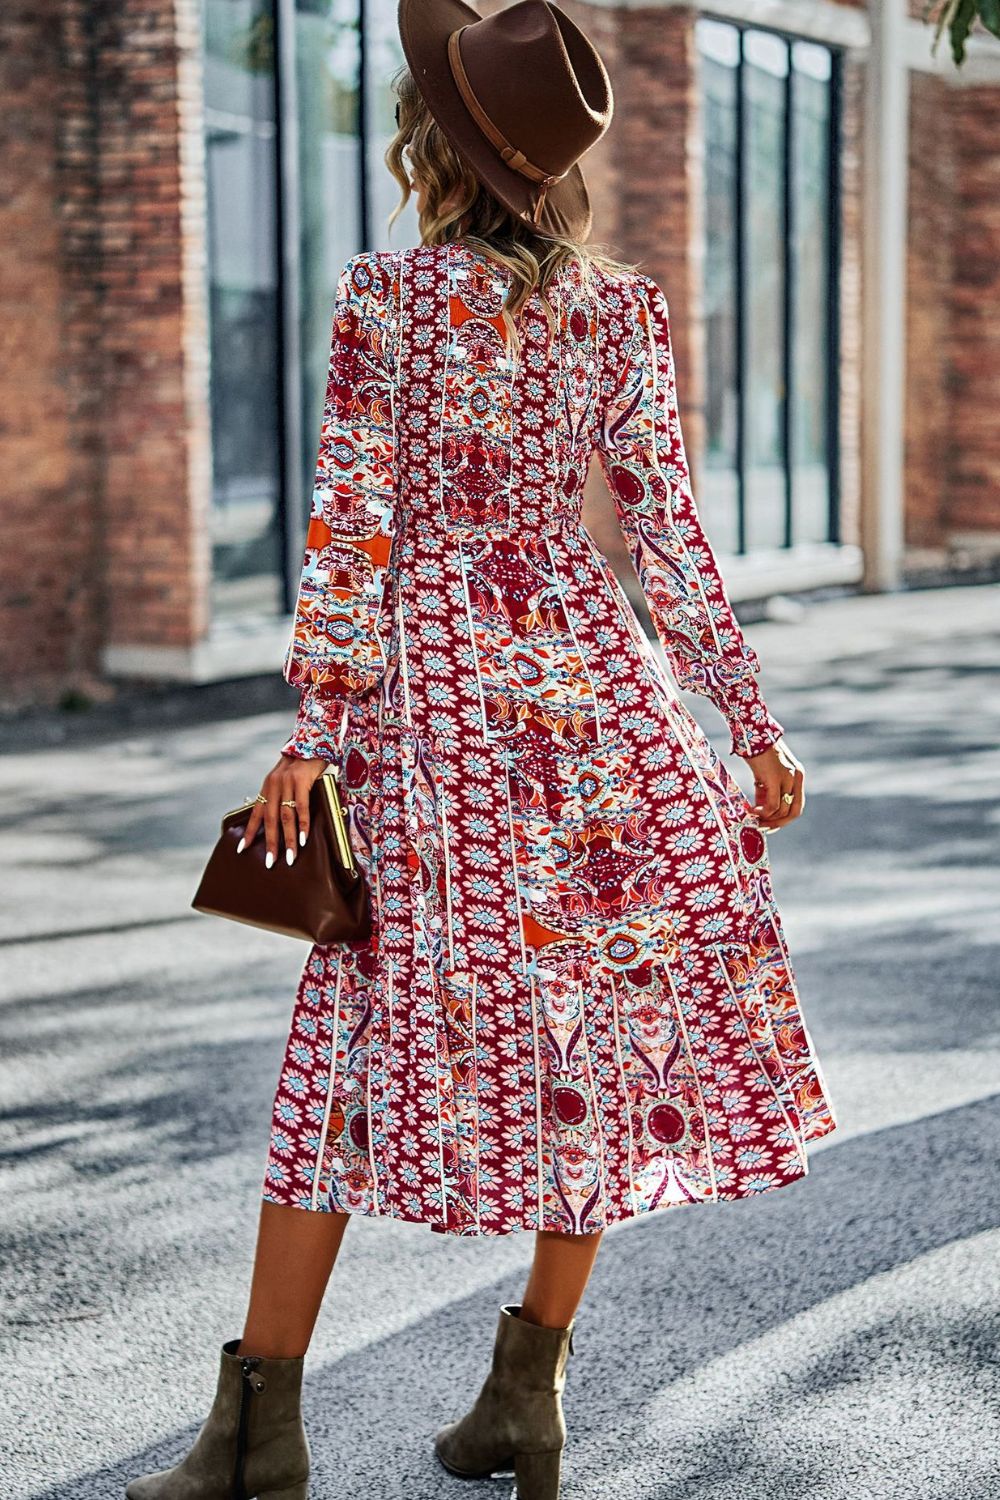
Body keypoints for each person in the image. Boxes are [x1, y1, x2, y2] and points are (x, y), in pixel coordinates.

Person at [126, 2, 837, 1497]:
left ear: (439, 148)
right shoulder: (618, 314)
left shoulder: (389, 302)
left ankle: (260, 1433)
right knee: (611, 1037)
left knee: (338, 1057)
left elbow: (355, 526)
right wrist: (747, 722)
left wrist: (318, 723)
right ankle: (525, 1397)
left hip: (441, 712)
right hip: (599, 698)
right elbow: (671, 536)